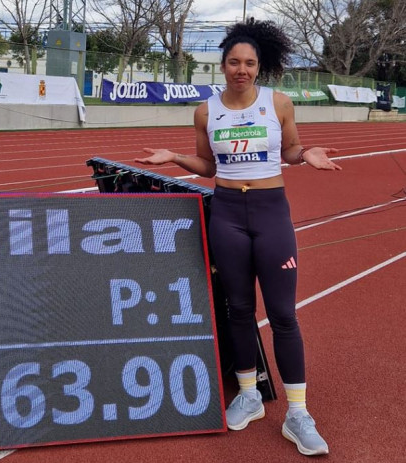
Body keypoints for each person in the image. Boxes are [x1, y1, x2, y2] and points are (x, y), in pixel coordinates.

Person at [134, 18, 341, 456]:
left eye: (249, 63)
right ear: (222, 65)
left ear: (259, 66)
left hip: (270, 213)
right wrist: (174, 157)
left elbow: (288, 150)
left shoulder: (279, 103)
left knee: (283, 313)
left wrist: (307, 154)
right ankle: (249, 394)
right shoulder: (206, 111)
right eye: (233, 62)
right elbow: (209, 167)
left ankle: (298, 414)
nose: (241, 69)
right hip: (227, 213)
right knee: (239, 309)